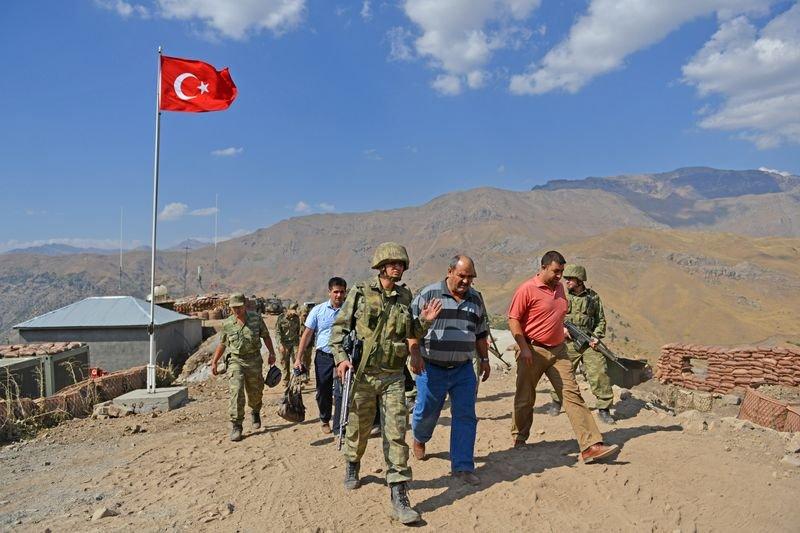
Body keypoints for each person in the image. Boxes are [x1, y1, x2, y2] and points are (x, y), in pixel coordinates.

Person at [331, 242, 437, 525]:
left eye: (401, 263)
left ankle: (399, 495)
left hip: (392, 376)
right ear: (380, 266)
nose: (397, 267)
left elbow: (410, 331)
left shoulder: (405, 295)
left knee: (395, 433)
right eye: (392, 263)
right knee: (359, 426)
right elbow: (339, 328)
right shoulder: (361, 292)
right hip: (364, 375)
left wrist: (424, 322)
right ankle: (353, 462)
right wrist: (341, 358)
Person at [508, 251, 619, 463]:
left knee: (572, 394)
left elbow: (556, 315)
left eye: (562, 272)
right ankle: (519, 438)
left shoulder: (559, 289)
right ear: (543, 267)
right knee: (525, 397)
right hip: (533, 350)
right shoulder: (527, 289)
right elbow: (513, 320)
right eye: (556, 271)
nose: (560, 276)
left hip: (559, 351)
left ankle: (590, 445)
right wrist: (523, 347)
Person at [409, 255, 488, 486]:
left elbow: (481, 333)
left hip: (463, 369)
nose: (466, 282)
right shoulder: (429, 294)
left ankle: (462, 466)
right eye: (462, 276)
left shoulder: (476, 299)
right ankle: (420, 437)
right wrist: (415, 354)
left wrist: (484, 359)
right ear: (450, 271)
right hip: (430, 367)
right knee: (426, 412)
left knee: (465, 415)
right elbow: (411, 329)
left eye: (470, 277)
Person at [548, 264, 614, 424]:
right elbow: (552, 316)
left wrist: (597, 337)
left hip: (588, 342)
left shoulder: (593, 298)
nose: (567, 281)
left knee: (599, 373)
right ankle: (556, 401)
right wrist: (562, 329)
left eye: (570, 279)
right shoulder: (561, 296)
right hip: (568, 343)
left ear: (579, 280)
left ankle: (604, 409)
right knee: (562, 373)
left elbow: (601, 320)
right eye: (567, 279)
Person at [210, 293, 277, 442]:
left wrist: (272, 353)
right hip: (236, 361)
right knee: (236, 391)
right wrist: (214, 361)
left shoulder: (256, 319)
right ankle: (237, 425)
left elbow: (266, 336)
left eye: (239, 307)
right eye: (234, 308)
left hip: (254, 360)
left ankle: (255, 411)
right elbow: (223, 343)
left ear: (245, 305)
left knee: (256, 391)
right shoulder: (228, 323)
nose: (237, 310)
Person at [295, 277, 347, 435]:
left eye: (342, 292)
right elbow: (307, 334)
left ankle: (339, 425)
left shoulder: (350, 310)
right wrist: (298, 358)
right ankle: (324, 418)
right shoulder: (318, 310)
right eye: (336, 292)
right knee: (323, 390)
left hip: (343, 356)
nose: (338, 295)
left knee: (342, 390)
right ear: (329, 292)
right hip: (324, 356)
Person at [276, 302, 301, 386]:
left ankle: (297, 382)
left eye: (295, 310)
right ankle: (286, 383)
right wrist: (280, 345)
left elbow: (298, 331)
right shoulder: (281, 318)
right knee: (285, 364)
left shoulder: (296, 318)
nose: (294, 312)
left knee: (297, 362)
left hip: (294, 343)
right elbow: (278, 332)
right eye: (292, 310)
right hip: (284, 344)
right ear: (288, 309)